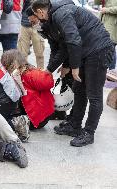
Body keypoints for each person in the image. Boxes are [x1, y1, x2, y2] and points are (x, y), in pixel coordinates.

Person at [32, 0, 115, 147]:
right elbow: (64, 46)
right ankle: (75, 125)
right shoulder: (55, 16)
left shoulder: (61, 14)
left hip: (99, 50)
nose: (36, 21)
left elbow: (73, 41)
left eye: (35, 16)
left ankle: (88, 133)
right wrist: (60, 67)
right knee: (79, 89)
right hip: (87, 51)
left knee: (94, 95)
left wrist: (74, 66)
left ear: (41, 12)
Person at [1, 49, 54, 130]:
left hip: (36, 118)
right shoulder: (23, 73)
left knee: (3, 122)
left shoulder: (29, 74)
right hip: (38, 116)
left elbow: (47, 82)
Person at [17, 0, 45, 69]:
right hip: (24, 25)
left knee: (39, 53)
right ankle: (23, 73)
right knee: (22, 54)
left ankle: (41, 74)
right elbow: (19, 6)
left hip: (37, 25)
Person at [97, 0, 117, 69]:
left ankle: (111, 70)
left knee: (110, 47)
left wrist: (107, 10)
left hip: (113, 26)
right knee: (104, 48)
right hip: (103, 23)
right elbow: (97, 3)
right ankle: (106, 71)